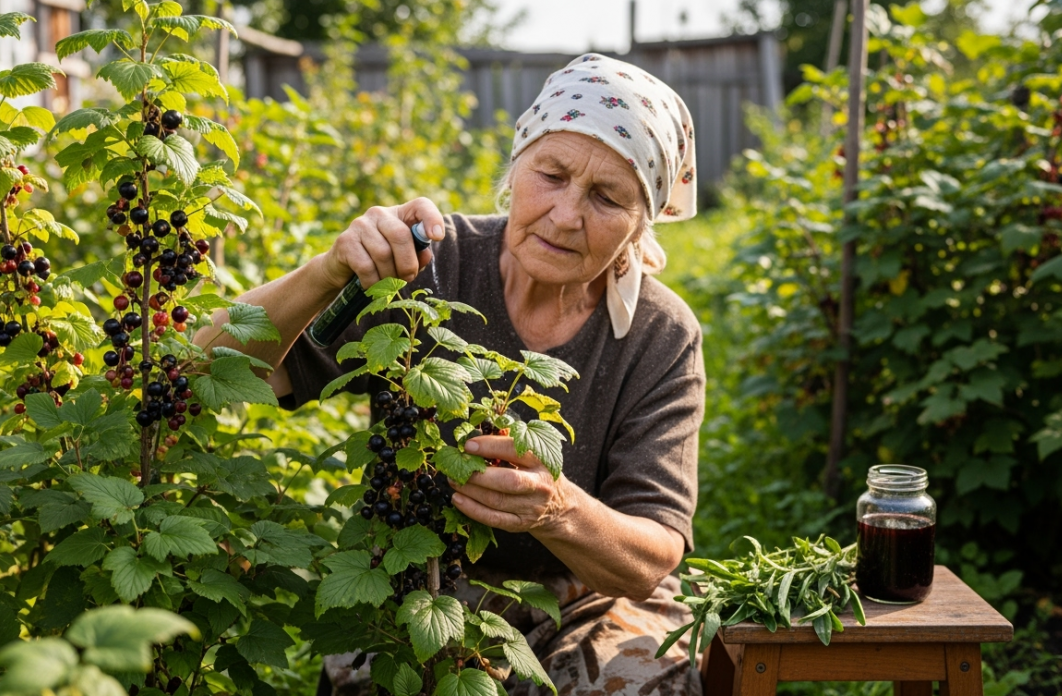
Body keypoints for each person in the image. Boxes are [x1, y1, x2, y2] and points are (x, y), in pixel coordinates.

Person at [196, 53, 705, 696]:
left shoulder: (660, 334)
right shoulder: (430, 265)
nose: (567, 214)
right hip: (421, 575)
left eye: (607, 197)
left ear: (641, 223)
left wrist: (557, 508)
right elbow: (202, 367)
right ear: (516, 164)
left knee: (639, 682)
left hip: (586, 597)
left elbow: (651, 555)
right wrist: (327, 272)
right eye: (551, 174)